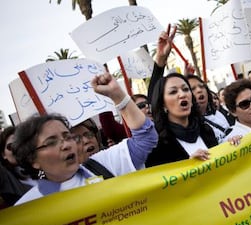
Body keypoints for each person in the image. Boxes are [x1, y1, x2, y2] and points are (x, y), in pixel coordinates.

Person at [13, 72, 158, 205]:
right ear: (33, 160)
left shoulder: (102, 165)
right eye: (51, 142)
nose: (66, 145)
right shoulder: (28, 209)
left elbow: (146, 138)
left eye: (67, 137)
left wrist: (118, 96)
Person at [145, 72, 218, 167]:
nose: (182, 94)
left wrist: (230, 146)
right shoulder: (157, 145)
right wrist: (188, 167)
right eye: (173, 92)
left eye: (186, 89)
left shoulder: (206, 130)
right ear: (163, 104)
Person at [187, 74, 231, 143]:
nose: (199, 90)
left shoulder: (217, 114)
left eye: (201, 86)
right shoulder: (188, 125)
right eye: (192, 89)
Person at [0, 126, 32, 207]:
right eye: (11, 146)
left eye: (21, 143)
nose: (17, 148)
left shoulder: (39, 170)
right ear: (4, 155)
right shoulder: (6, 176)